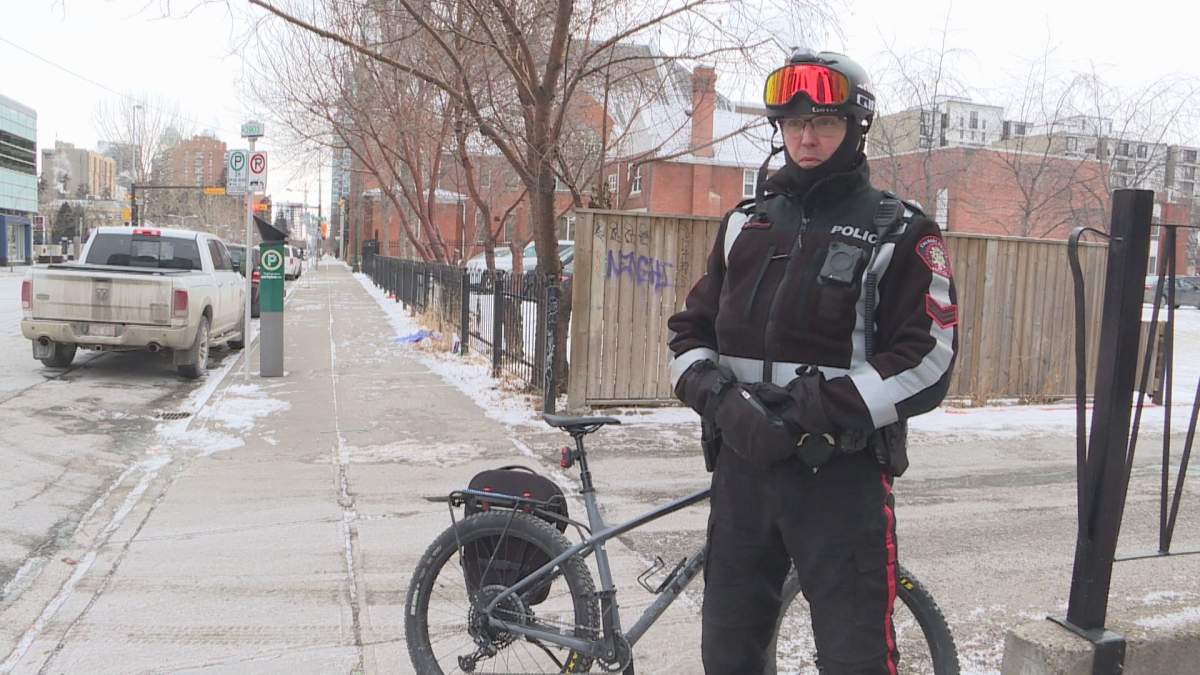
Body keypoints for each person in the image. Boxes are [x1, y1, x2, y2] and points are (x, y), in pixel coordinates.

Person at [667, 49, 959, 674]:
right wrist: (721, 401)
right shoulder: (744, 224)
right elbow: (689, 333)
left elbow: (927, 357)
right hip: (743, 476)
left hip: (839, 477)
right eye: (793, 122)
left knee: (855, 657)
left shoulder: (899, 230)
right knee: (728, 653)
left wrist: (812, 411)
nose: (806, 136)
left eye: (824, 122)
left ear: (854, 128)